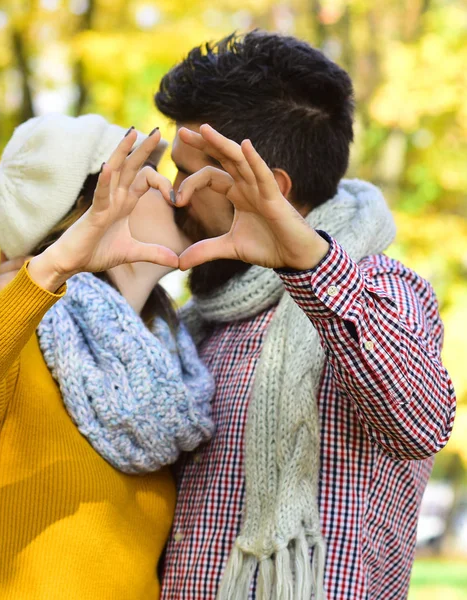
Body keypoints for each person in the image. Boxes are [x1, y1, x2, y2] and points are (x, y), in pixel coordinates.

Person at [155, 31, 456, 599]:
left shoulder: (382, 291)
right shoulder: (202, 319)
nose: (173, 195)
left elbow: (421, 422)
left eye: (188, 175)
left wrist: (310, 265)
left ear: (267, 190)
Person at [0, 114, 215, 599]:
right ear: (92, 210)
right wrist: (54, 267)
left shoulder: (165, 365)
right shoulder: (15, 334)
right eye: (145, 172)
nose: (170, 188)